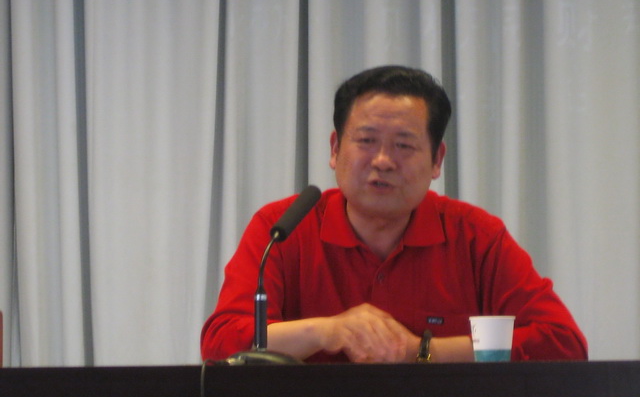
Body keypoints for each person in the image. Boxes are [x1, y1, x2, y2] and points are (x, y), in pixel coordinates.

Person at [201, 65, 588, 363]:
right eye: (366, 141)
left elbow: (563, 344)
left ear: (437, 160)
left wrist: (422, 351)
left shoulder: (475, 236)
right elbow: (221, 345)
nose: (383, 161)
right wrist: (327, 332)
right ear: (335, 149)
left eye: (404, 145)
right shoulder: (283, 228)